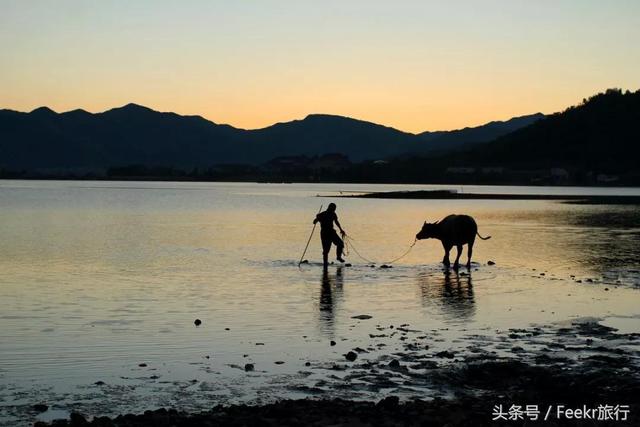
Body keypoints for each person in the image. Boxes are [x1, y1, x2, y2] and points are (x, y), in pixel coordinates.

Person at [313, 203, 346, 267]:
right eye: (333, 208)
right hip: (325, 233)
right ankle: (325, 263)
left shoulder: (333, 214)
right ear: (330, 208)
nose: (334, 210)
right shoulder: (322, 214)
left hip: (331, 232)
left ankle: (338, 257)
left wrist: (341, 230)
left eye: (334, 209)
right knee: (326, 249)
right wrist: (317, 219)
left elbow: (336, 222)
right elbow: (314, 222)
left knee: (340, 243)